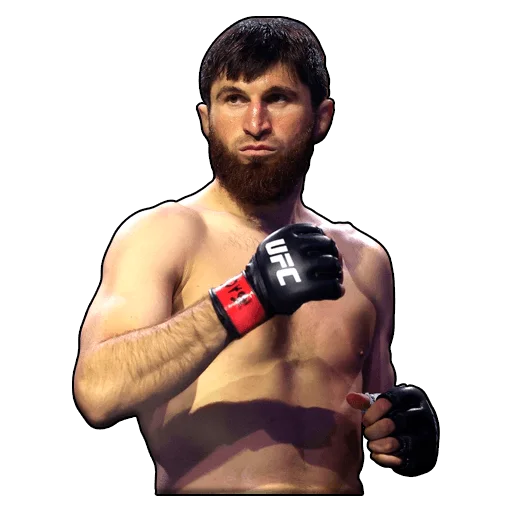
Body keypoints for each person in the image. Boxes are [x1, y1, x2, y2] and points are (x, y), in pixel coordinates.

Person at [74, 17, 437, 494]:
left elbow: (372, 411)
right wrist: (248, 297)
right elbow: (98, 393)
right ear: (206, 119)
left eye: (278, 98)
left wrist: (396, 432)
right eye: (234, 99)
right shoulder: (163, 234)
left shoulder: (365, 261)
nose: (255, 123)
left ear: (321, 116)